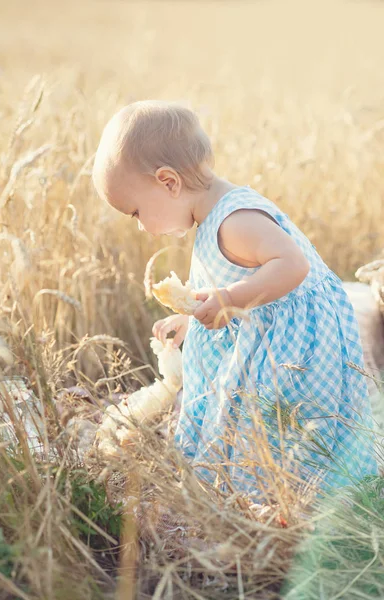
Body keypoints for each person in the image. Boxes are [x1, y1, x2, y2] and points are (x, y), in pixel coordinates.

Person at [92, 100, 378, 500]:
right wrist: (195, 316)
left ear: (168, 182)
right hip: (267, 338)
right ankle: (256, 493)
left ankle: (286, 497)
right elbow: (243, 283)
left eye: (136, 211)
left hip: (295, 352)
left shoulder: (236, 221)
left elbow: (293, 266)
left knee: (280, 432)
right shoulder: (212, 218)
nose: (140, 226)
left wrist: (228, 299)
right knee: (253, 426)